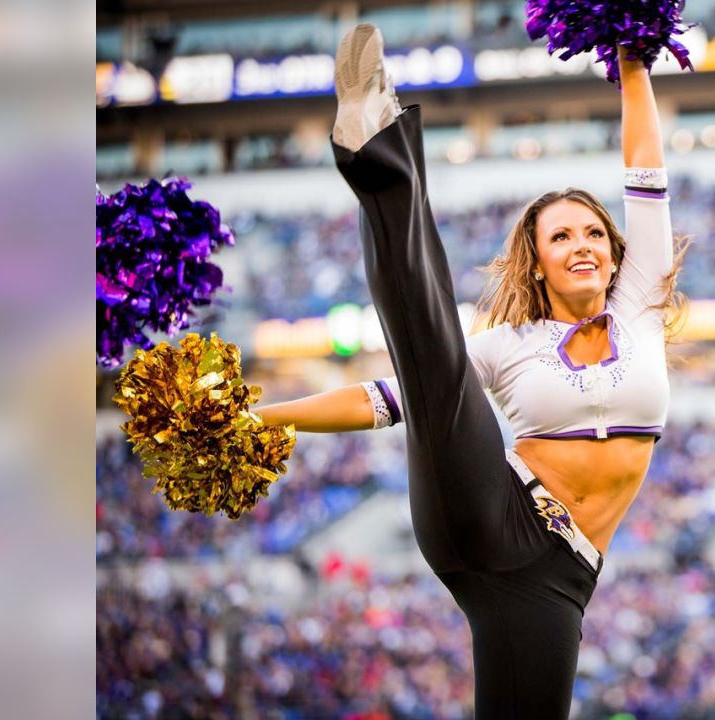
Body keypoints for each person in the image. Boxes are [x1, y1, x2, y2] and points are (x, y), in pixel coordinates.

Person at [254, 23, 679, 718]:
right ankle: (375, 147)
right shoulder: (508, 343)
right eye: (561, 235)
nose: (582, 244)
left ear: (614, 252)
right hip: (489, 509)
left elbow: (646, 173)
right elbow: (383, 399)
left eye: (594, 232)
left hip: (556, 579)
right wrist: (258, 419)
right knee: (436, 361)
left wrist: (633, 55)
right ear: (537, 260)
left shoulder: (642, 308)